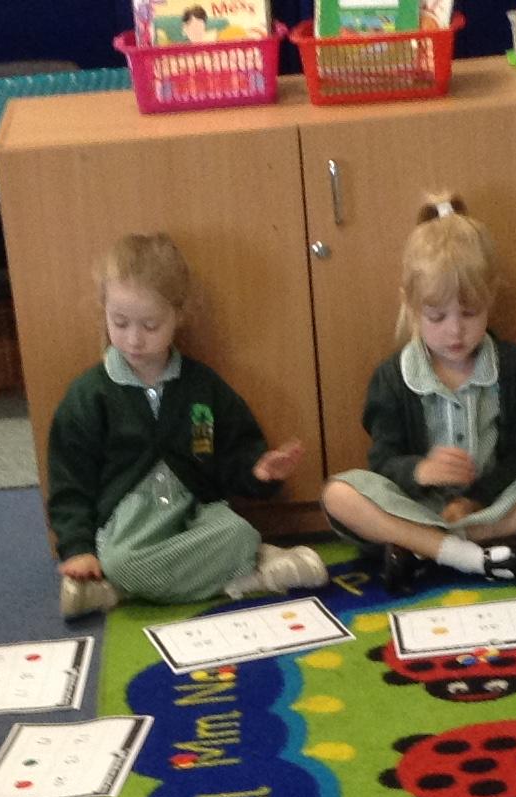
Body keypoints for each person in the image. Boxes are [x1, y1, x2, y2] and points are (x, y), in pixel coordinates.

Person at [321, 193, 516, 598]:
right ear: (411, 305)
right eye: (437, 317)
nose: (455, 331)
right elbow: (383, 461)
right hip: (417, 510)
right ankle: (473, 554)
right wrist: (421, 471)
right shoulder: (393, 378)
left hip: (492, 506)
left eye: (469, 313)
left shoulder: (514, 369)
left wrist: (475, 501)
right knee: (338, 493)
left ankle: (430, 549)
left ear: (491, 299)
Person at [47, 232, 326, 621]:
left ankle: (118, 590)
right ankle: (251, 575)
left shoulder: (201, 388)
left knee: (241, 533)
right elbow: (69, 482)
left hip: (195, 514)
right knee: (121, 561)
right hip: (130, 527)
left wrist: (258, 471)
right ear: (104, 311)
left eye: (150, 325)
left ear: (178, 315)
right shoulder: (90, 395)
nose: (134, 339)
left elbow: (226, 453)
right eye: (120, 323)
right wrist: (77, 547)